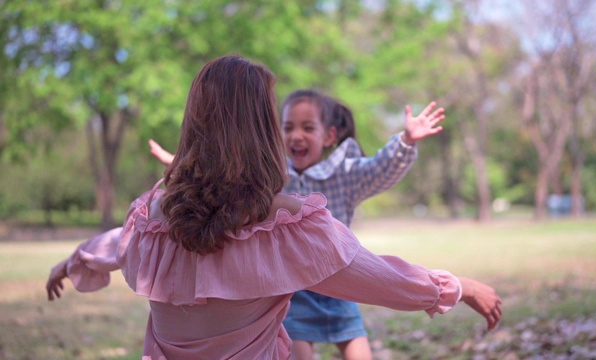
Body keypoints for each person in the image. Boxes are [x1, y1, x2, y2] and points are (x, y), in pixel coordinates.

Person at [47, 54, 502, 359]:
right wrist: (458, 288)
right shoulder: (286, 225)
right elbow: (381, 279)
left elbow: (114, 245)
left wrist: (74, 261)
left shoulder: (152, 216)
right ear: (262, 128)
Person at [148, 89, 446, 359]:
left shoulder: (346, 173)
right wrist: (181, 163)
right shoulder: (275, 178)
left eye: (307, 128)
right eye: (288, 128)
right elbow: (223, 176)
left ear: (328, 136)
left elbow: (380, 170)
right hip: (295, 291)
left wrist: (405, 141)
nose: (296, 136)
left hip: (342, 282)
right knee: (297, 352)